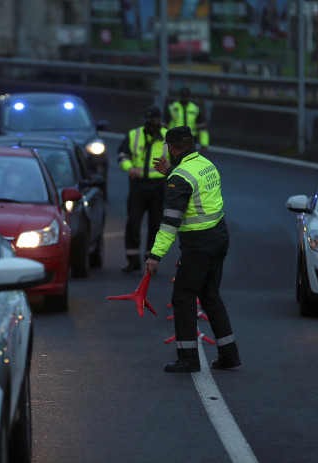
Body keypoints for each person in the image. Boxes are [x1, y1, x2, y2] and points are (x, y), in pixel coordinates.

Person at [146, 126, 240, 373]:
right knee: (210, 296)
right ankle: (229, 355)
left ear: (172, 148)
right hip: (219, 237)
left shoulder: (179, 177)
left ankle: (188, 358)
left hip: (198, 245)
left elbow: (169, 222)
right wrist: (171, 173)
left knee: (183, 297)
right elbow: (191, 187)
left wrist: (155, 255)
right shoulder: (204, 164)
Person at [117, 106, 169, 273]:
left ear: (159, 121)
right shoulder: (134, 134)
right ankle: (132, 260)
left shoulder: (168, 137)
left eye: (153, 122)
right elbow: (122, 155)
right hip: (138, 186)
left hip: (158, 187)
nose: (150, 126)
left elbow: (179, 160)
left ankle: (150, 261)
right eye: (148, 122)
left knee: (155, 225)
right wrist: (129, 168)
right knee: (133, 222)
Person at [165, 87, 210, 155]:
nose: (184, 98)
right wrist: (164, 141)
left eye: (186, 96)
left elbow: (202, 129)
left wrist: (204, 143)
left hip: (190, 140)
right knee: (175, 161)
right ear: (179, 96)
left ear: (189, 96)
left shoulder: (195, 108)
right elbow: (164, 126)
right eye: (182, 96)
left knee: (189, 161)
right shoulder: (172, 107)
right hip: (175, 139)